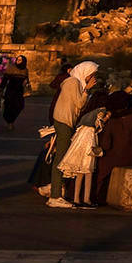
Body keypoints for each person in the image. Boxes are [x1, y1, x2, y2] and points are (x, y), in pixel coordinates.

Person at [48, 61, 98, 209]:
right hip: (64, 122)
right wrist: (87, 90)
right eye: (92, 74)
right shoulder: (73, 82)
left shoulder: (73, 82)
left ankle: (54, 189)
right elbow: (79, 104)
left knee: (62, 157)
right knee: (61, 159)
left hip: (65, 121)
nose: (92, 77)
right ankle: (55, 196)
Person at [1, 56, 28, 129]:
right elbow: (5, 79)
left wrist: (26, 84)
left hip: (19, 91)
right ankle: (9, 122)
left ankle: (11, 120)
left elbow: (26, 80)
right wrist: (1, 88)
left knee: (20, 106)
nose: (18, 61)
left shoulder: (25, 70)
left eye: (20, 60)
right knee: (9, 106)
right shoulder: (11, 68)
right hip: (11, 90)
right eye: (17, 59)